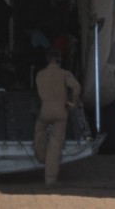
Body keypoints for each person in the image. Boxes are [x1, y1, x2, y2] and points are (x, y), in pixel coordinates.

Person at [33, 50, 82, 187]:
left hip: (45, 110)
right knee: (55, 144)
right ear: (59, 59)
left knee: (39, 132)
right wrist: (73, 101)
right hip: (61, 111)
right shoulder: (65, 74)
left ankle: (41, 156)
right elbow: (76, 87)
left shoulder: (40, 75)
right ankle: (50, 179)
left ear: (47, 60)